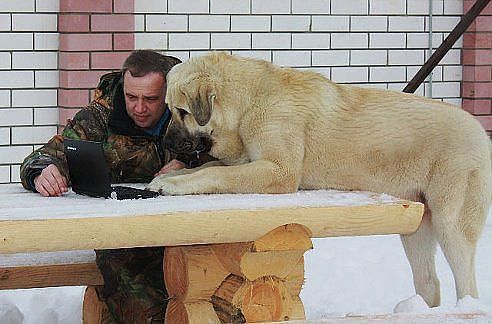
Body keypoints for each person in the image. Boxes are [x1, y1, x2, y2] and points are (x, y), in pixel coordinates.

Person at [19, 50, 208, 322]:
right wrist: (41, 171)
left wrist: (188, 167)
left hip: (191, 234)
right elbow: (45, 155)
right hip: (126, 241)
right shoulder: (99, 117)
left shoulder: (191, 113)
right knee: (146, 309)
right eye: (132, 97)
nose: (139, 108)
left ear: (168, 94)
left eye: (151, 99)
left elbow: (229, 157)